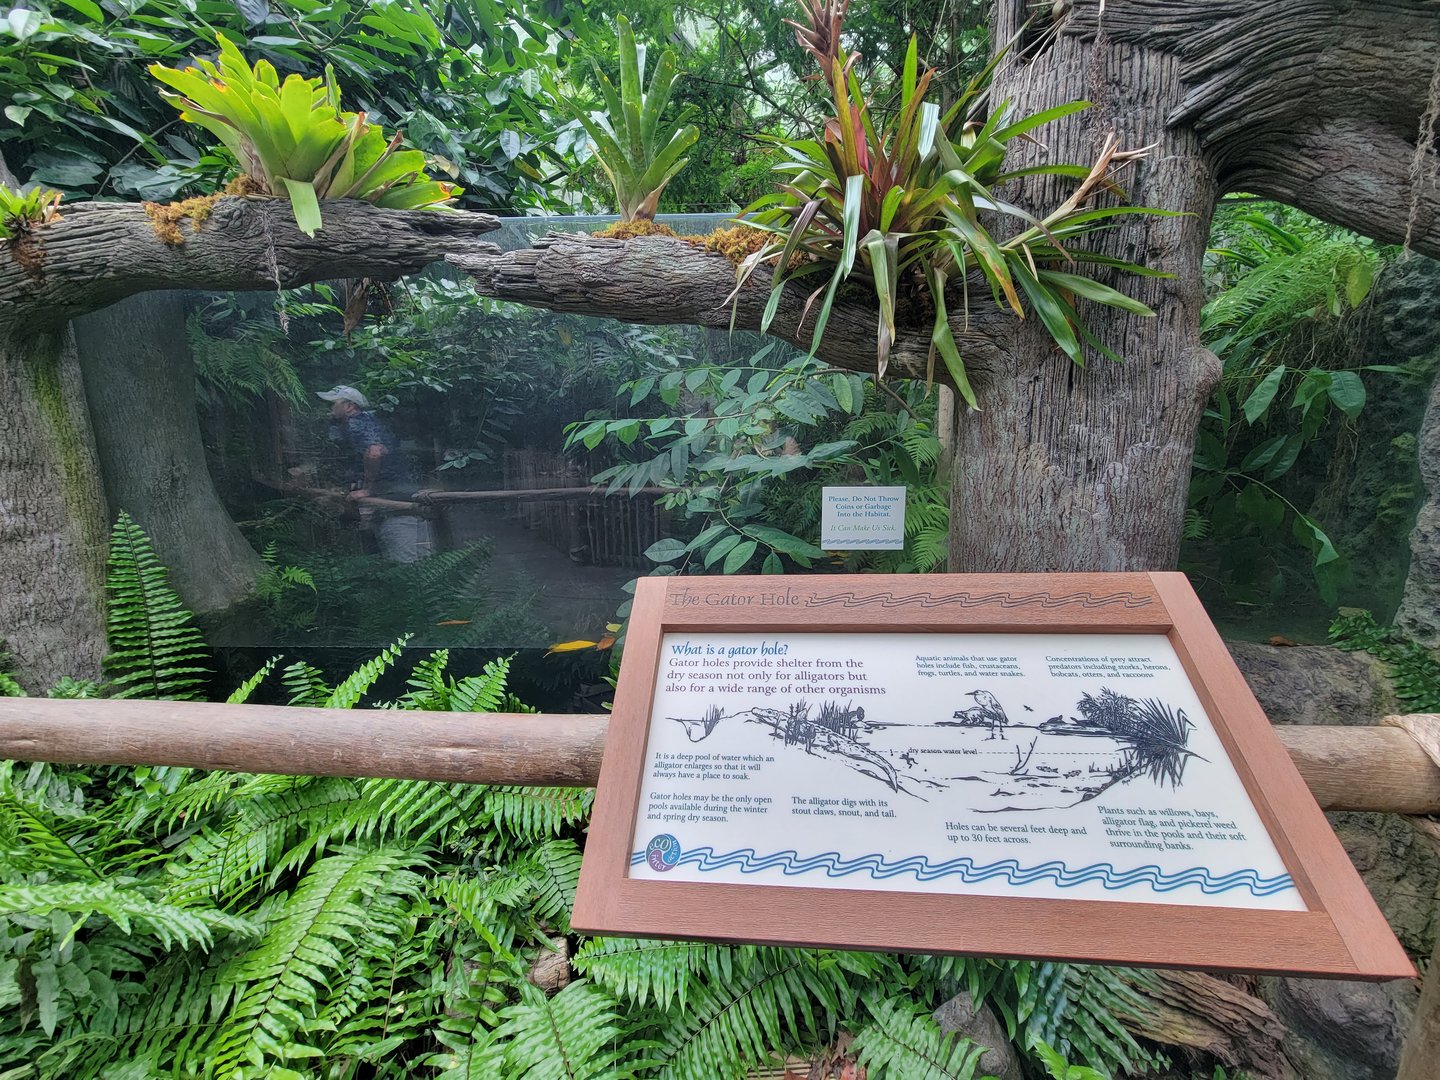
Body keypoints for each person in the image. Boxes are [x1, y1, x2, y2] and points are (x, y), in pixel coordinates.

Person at [317, 385, 431, 563]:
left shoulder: (357, 424)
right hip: (408, 495)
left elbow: (374, 452)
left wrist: (368, 489)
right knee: (426, 563)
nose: (330, 408)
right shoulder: (372, 421)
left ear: (349, 406)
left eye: (334, 403)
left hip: (393, 504)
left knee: (405, 565)